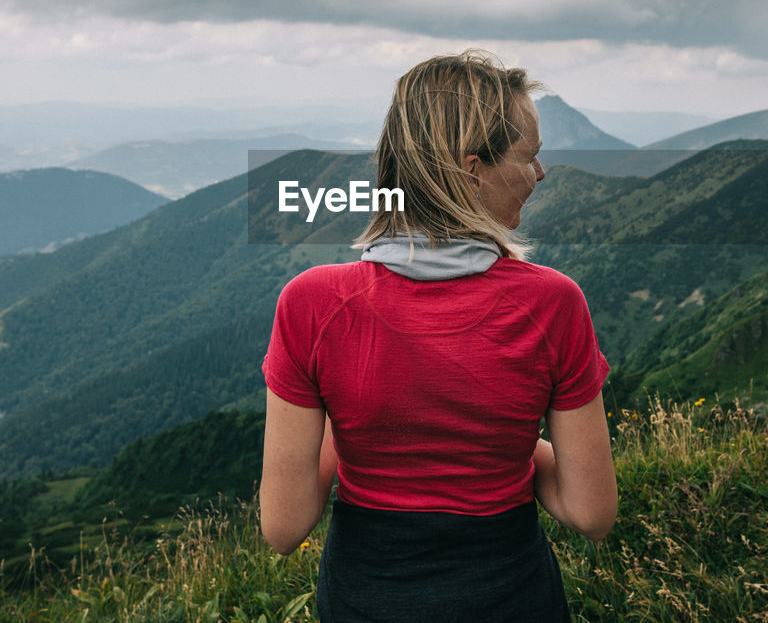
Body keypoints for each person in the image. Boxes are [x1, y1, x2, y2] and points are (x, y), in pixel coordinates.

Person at [259, 50, 617, 621]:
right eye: (531, 157)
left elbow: (284, 527)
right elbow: (590, 512)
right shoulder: (553, 305)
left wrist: (360, 434)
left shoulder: (311, 304)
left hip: (364, 602)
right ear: (473, 170)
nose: (541, 173)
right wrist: (498, 441)